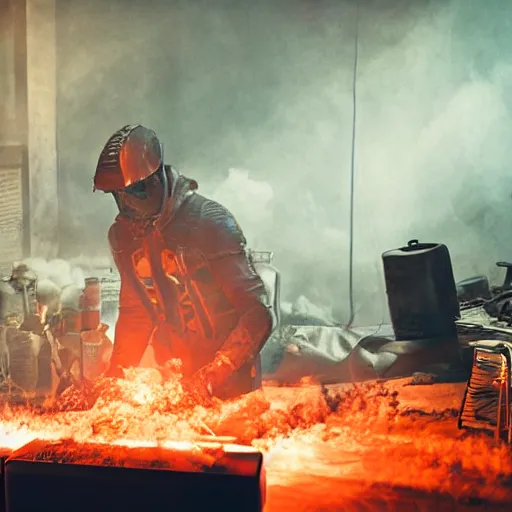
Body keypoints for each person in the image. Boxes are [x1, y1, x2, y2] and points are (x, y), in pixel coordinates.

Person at [93, 124, 274, 399]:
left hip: (231, 384)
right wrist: (117, 376)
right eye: (118, 197)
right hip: (173, 380)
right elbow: (135, 312)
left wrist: (215, 374)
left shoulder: (209, 221)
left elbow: (257, 313)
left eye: (131, 195)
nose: (126, 207)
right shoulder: (124, 236)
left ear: (153, 183)